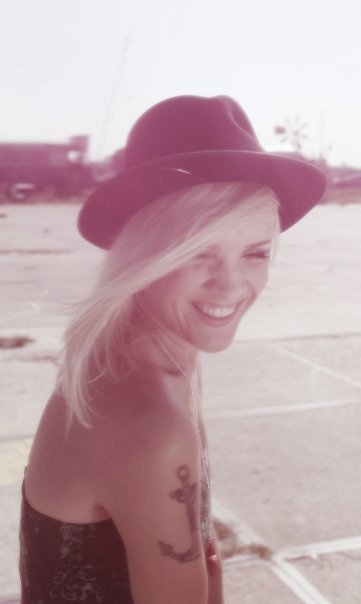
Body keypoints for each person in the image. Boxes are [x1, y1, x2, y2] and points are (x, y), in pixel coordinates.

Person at [19, 95, 326, 603]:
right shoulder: (150, 423)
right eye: (199, 252)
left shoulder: (138, 357)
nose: (231, 285)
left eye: (256, 253)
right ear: (146, 255)